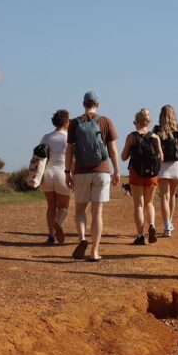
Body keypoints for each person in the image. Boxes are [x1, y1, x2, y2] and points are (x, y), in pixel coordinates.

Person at [65, 91, 120, 261]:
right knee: (97, 213)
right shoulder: (105, 121)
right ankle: (94, 252)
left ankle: (82, 239)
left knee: (80, 209)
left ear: (83, 104)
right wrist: (117, 170)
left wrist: (68, 172)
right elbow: (112, 149)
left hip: (81, 172)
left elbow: (69, 150)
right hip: (101, 171)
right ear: (98, 104)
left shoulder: (74, 123)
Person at [121, 108, 163, 245]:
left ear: (138, 122)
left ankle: (140, 236)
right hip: (152, 174)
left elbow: (123, 157)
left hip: (136, 173)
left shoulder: (132, 136)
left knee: (138, 205)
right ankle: (152, 225)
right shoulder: (155, 137)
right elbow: (161, 157)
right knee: (149, 202)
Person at [154, 105, 178, 237]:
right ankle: (170, 222)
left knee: (164, 196)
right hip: (177, 163)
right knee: (172, 195)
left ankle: (167, 226)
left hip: (162, 165)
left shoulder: (157, 129)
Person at [39, 110, 71, 245]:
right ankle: (58, 222)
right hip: (62, 172)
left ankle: (51, 235)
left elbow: (39, 156)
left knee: (51, 206)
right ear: (66, 122)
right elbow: (73, 159)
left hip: (47, 173)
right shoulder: (69, 137)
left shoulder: (46, 137)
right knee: (63, 206)